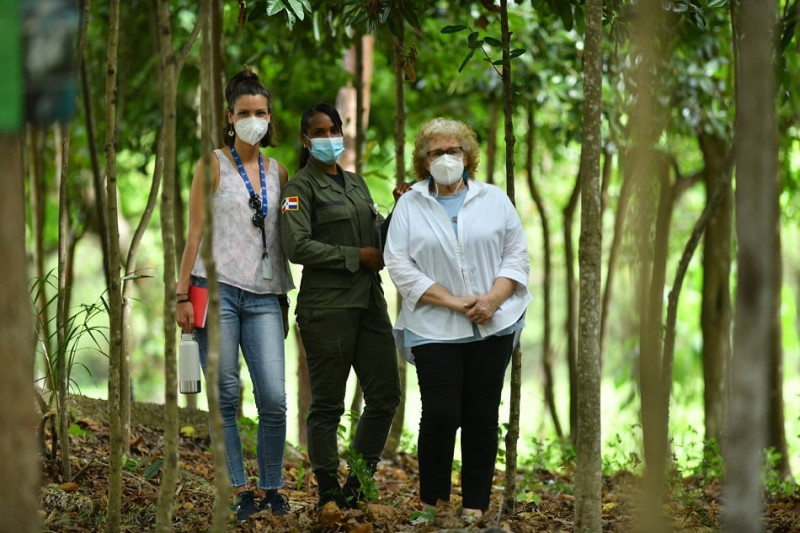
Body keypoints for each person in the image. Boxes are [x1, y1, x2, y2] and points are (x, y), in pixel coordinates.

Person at [384, 118, 532, 522]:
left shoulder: (494, 199)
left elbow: (516, 254)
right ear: (423, 160)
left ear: (468, 157)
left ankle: (474, 508)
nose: (447, 158)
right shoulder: (410, 204)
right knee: (441, 413)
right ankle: (432, 505)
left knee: (482, 416)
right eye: (437, 152)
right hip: (433, 326)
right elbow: (398, 263)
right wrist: (453, 302)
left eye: (454, 151)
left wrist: (493, 300)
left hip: (493, 323)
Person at [175, 68, 293, 522]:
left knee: (274, 398)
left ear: (269, 118)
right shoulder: (211, 164)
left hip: (265, 296)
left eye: (260, 112)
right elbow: (194, 236)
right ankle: (240, 489)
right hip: (215, 292)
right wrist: (181, 295)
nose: (253, 119)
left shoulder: (279, 170)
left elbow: (289, 235)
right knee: (224, 395)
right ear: (229, 117)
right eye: (244, 113)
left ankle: (271, 488)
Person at [279, 102, 401, 509]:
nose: (330, 137)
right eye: (320, 131)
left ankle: (357, 483)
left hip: (369, 304)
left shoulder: (358, 184)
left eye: (335, 129)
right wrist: (355, 256)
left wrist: (401, 209)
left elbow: (378, 237)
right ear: (305, 139)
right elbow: (297, 246)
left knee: (385, 396)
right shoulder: (299, 188)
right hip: (327, 309)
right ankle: (329, 489)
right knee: (328, 405)